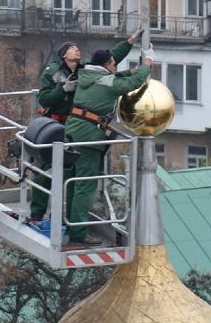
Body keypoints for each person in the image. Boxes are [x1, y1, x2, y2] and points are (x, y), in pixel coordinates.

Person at [29, 32, 141, 224]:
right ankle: (36, 214)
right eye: (72, 48)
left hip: (75, 126)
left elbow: (110, 59)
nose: (77, 49)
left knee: (69, 173)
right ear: (64, 55)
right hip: (56, 125)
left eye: (77, 47)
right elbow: (45, 99)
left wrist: (130, 41)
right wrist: (63, 89)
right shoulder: (53, 72)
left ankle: (63, 218)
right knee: (45, 171)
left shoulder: (83, 71)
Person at [61, 45, 153, 248]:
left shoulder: (87, 75)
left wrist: (130, 70)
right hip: (88, 137)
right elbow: (133, 83)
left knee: (73, 181)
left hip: (73, 130)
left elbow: (114, 78)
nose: (115, 67)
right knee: (85, 184)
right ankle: (78, 233)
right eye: (113, 64)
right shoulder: (108, 81)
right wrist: (147, 62)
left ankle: (69, 223)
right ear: (106, 65)